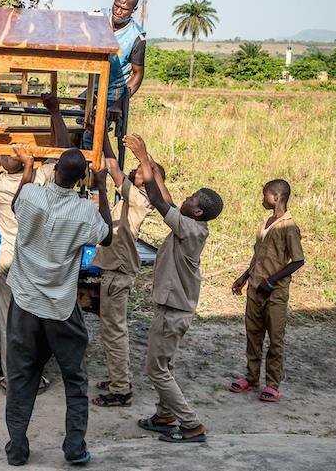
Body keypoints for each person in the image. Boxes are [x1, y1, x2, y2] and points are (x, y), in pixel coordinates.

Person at [4, 147, 113, 466]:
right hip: (61, 307)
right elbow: (106, 236)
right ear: (82, 178)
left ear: (54, 171)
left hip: (25, 302)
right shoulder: (85, 212)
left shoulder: (30, 196)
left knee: (21, 377)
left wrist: (29, 168)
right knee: (75, 379)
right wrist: (102, 187)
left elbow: (15, 204)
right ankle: (74, 448)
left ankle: (17, 449)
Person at [123, 134, 223, 444]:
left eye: (192, 198)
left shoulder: (189, 229)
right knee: (165, 364)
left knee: (156, 370)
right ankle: (164, 416)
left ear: (198, 212)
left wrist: (143, 158)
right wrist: (150, 163)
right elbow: (166, 197)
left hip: (173, 311)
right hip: (176, 309)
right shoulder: (191, 223)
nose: (186, 199)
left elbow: (158, 200)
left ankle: (191, 425)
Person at [0, 93, 71, 391]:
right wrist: (54, 112)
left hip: (9, 257)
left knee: (9, 319)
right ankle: (34, 375)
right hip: (36, 260)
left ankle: (11, 376)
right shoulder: (41, 179)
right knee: (36, 320)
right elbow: (63, 152)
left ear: (2, 164)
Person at [89, 126, 160, 407]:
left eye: (143, 172)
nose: (137, 171)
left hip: (117, 274)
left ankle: (121, 390)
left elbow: (114, 168)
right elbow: (115, 166)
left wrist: (104, 137)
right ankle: (120, 380)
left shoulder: (139, 199)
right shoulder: (132, 198)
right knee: (114, 330)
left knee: (114, 332)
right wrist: (103, 135)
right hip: (117, 272)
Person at [229, 179, 305, 403]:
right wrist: (244, 277)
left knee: (275, 338)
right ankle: (251, 378)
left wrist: (271, 280)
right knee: (253, 335)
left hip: (275, 293)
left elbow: (298, 260)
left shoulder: (289, 227)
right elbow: (258, 256)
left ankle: (272, 384)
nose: (263, 199)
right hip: (255, 288)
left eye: (265, 195)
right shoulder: (265, 223)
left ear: (276, 197)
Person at [82, 0, 146, 150]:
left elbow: (138, 74)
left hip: (113, 91)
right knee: (71, 119)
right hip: (92, 87)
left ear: (133, 10)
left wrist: (119, 103)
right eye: (116, 5)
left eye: (124, 9)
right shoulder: (98, 18)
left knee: (92, 133)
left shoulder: (136, 37)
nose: (118, 11)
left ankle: (97, 164)